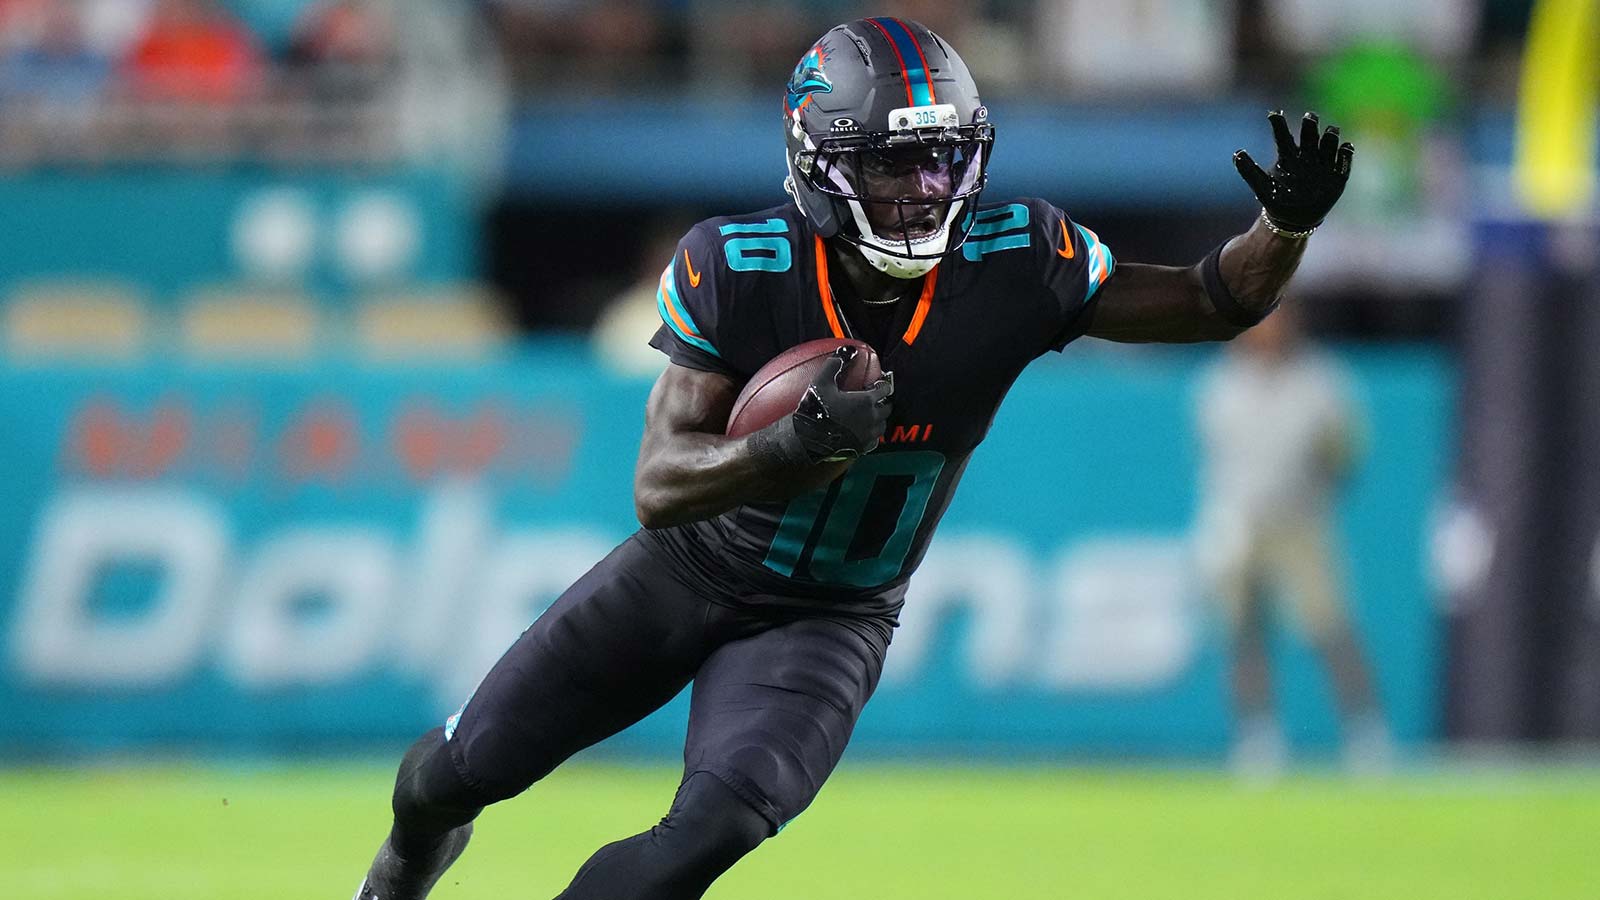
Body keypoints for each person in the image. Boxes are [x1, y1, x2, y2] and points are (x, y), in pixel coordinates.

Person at [353, 16, 1355, 900]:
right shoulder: (735, 265)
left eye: (944, 160)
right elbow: (658, 487)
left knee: (701, 839)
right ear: (818, 160)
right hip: (686, 571)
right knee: (447, 778)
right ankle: (394, 880)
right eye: (891, 163)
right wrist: (788, 446)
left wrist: (1285, 226)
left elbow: (1211, 299)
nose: (925, 191)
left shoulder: (1017, 258)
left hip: (831, 616)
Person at [1193, 305, 1392, 777]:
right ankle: (1257, 736)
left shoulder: (1320, 381)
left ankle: (1366, 733)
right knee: (1244, 633)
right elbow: (1216, 463)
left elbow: (1343, 453)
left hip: (1300, 522)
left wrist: (1314, 495)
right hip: (1240, 522)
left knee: (1329, 627)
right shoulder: (1221, 384)